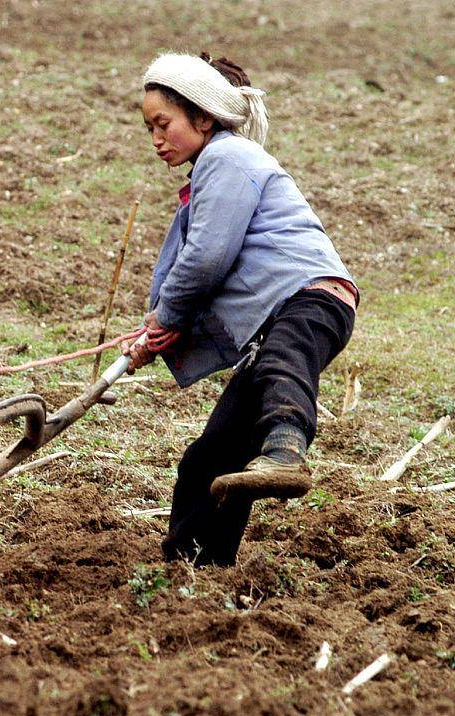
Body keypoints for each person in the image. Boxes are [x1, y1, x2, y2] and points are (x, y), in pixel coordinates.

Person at [122, 52, 358, 566]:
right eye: (149, 129)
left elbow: (207, 259)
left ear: (203, 118)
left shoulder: (228, 158)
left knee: (282, 361)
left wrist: (164, 318)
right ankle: (195, 568)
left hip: (312, 297)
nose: (156, 139)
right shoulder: (209, 175)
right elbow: (200, 275)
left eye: (163, 124)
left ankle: (286, 450)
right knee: (209, 459)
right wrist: (159, 330)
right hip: (275, 317)